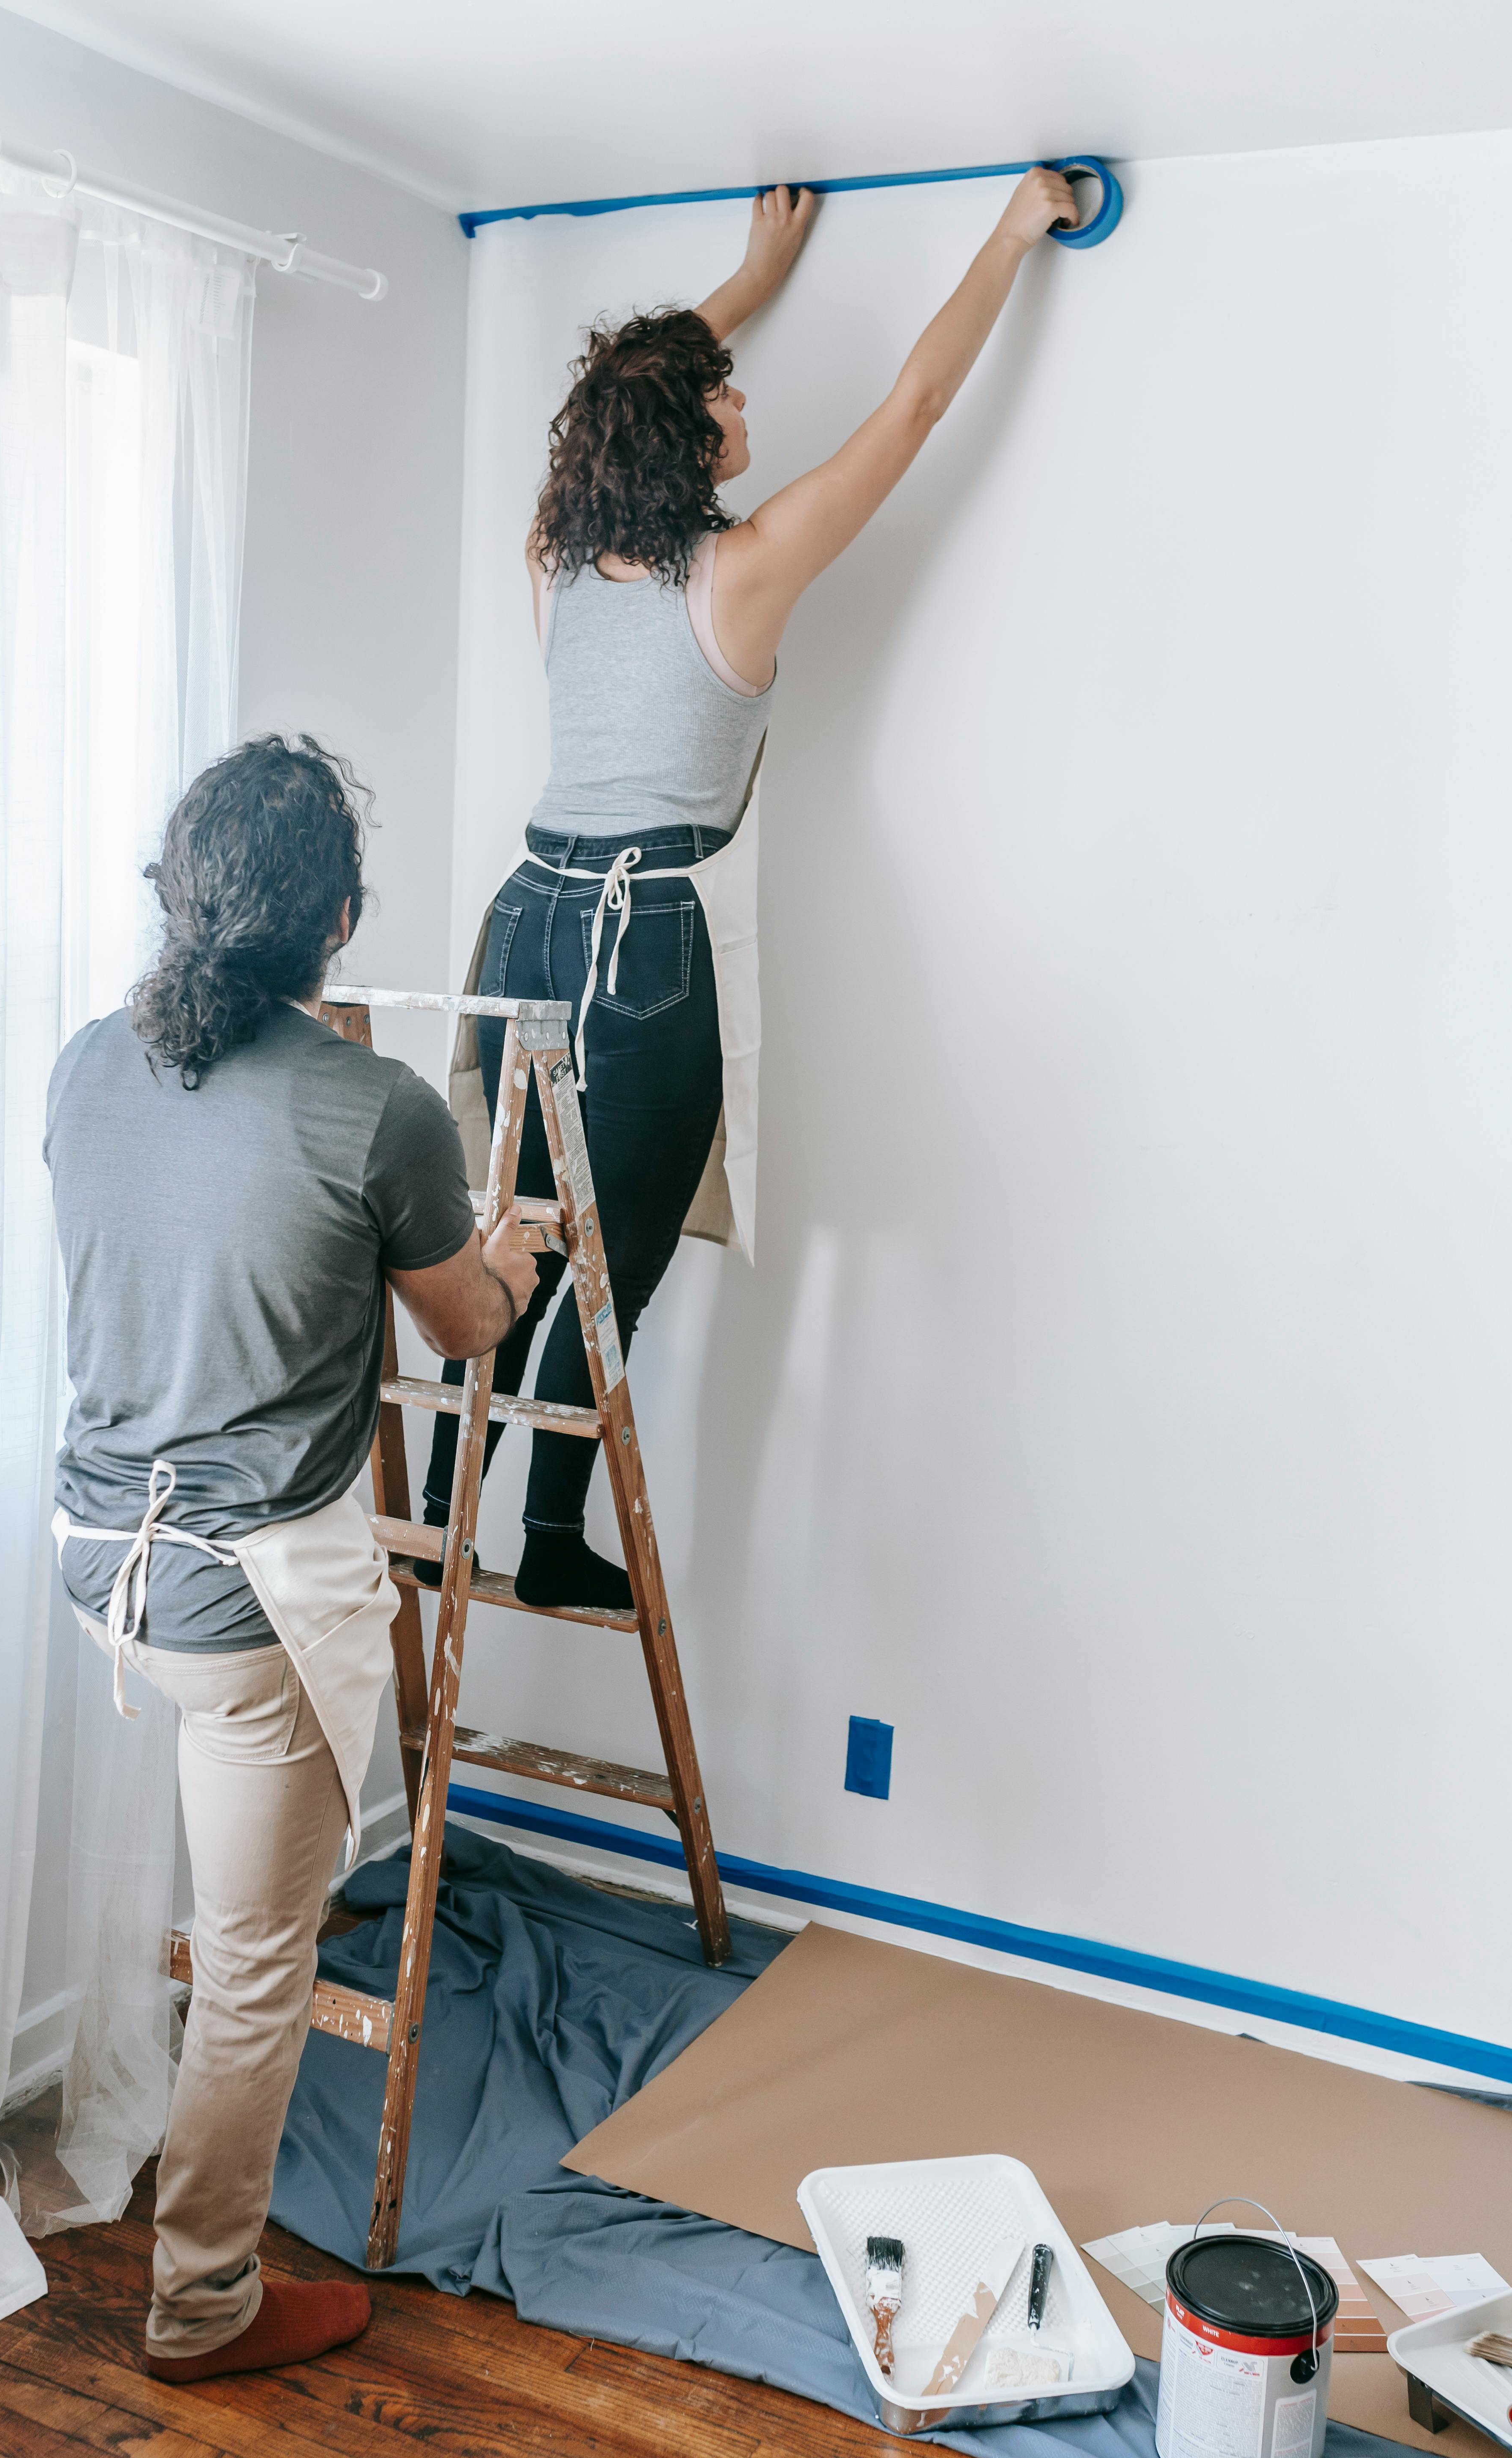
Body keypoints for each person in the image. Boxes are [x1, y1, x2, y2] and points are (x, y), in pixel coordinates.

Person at [422, 169, 1078, 1609]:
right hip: (645, 936)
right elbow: (911, 413)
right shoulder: (746, 568)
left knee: (517, 1235)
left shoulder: (552, 557)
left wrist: (749, 284)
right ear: (685, 431)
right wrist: (1011, 232)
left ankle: (437, 1502)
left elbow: (613, 399)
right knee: (612, 1265)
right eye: (722, 390)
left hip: (524, 915)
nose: (744, 404)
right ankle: (538, 1540)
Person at [44, 735, 539, 2381]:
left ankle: (187, 2233)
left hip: (99, 1558)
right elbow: (463, 1326)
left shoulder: (84, 1066)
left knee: (229, 1902)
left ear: (178, 901)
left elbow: (181, 1255)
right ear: (335, 923)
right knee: (259, 1966)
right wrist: (512, 1248)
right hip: (241, 1605)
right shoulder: (377, 1110)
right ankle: (204, 2307)